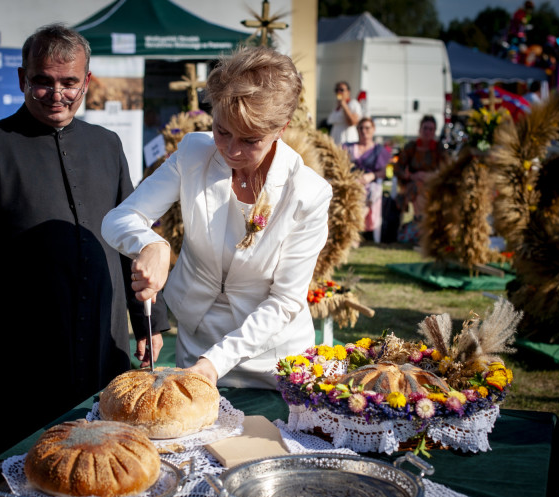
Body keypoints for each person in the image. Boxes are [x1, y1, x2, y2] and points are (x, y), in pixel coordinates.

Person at [0, 24, 169, 474]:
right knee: (18, 470)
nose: (55, 94)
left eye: (68, 83)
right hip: (19, 350)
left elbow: (131, 234)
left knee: (96, 468)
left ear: (87, 80)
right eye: (43, 81)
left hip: (101, 342)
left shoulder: (107, 144)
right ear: (23, 77)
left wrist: (150, 322)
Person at [102, 46, 333, 389]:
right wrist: (151, 243)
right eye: (222, 131)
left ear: (281, 128)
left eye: (251, 140)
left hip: (273, 358)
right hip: (196, 345)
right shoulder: (195, 153)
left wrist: (214, 363)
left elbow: (285, 300)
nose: (232, 151)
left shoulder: (308, 193)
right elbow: (118, 219)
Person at [393, 114, 447, 244]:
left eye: (431, 129)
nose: (427, 132)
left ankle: (424, 224)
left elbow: (447, 170)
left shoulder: (439, 149)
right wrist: (411, 175)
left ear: (434, 131)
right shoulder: (411, 147)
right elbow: (398, 168)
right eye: (425, 128)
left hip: (434, 184)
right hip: (414, 185)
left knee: (426, 189)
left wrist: (431, 177)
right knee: (418, 187)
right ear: (420, 129)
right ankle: (420, 223)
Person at [343, 117, 391, 242]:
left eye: (367, 128)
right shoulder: (348, 147)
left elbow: (384, 172)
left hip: (369, 183)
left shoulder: (378, 150)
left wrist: (371, 176)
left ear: (373, 130)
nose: (364, 131)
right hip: (350, 181)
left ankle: (353, 231)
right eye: (361, 128)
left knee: (369, 192)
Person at [325, 80, 361, 145]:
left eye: (341, 90)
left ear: (348, 92)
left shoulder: (353, 104)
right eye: (336, 90)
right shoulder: (336, 107)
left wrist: (344, 105)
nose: (339, 92)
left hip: (347, 140)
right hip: (336, 140)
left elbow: (353, 122)